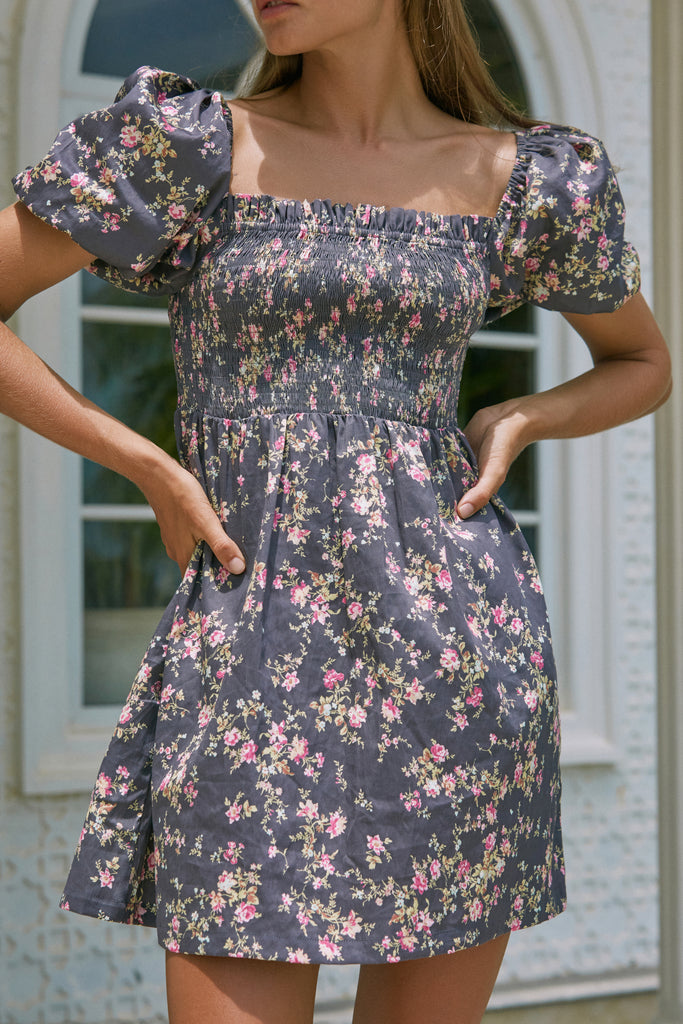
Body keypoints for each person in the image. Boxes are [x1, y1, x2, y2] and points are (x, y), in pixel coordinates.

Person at [0, 1, 671, 1022]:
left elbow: (642, 362)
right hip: (246, 664)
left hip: (455, 665)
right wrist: (144, 462)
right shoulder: (189, 147)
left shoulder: (523, 177)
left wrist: (519, 417)